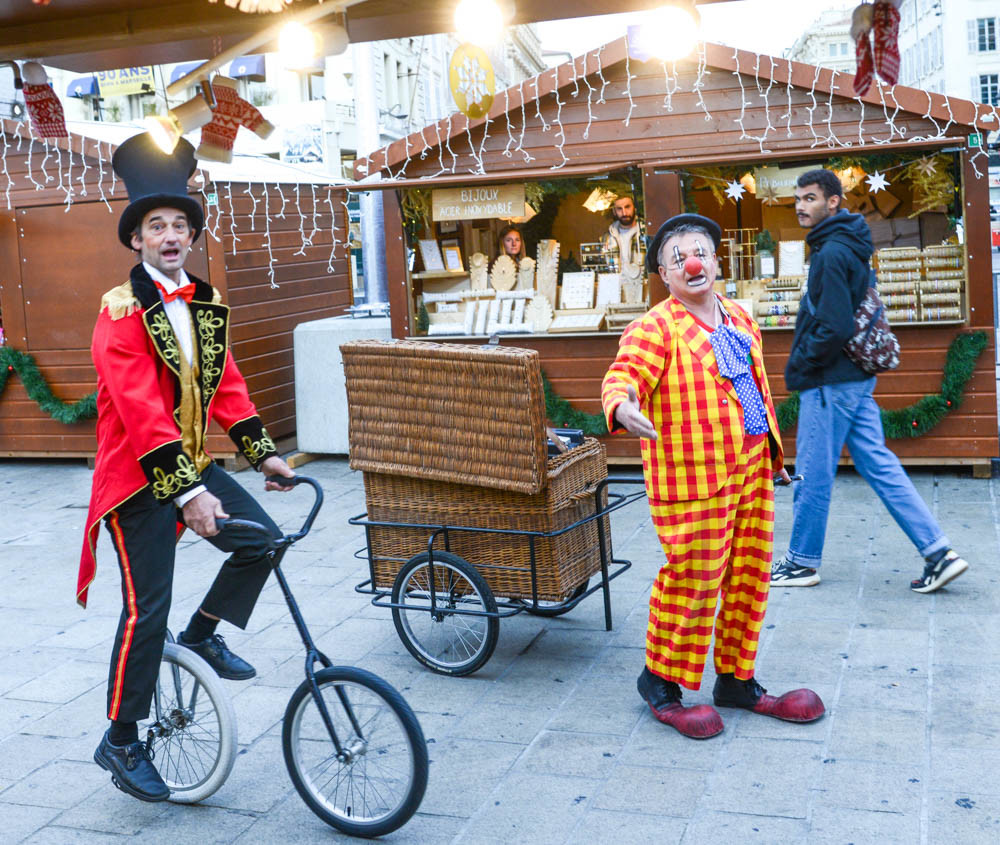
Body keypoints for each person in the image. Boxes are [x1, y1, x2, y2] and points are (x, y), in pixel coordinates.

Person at [77, 132, 296, 802]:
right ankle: (120, 736)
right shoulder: (120, 312)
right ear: (136, 240)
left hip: (192, 464)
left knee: (262, 538)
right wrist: (189, 496)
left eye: (179, 224)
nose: (170, 235)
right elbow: (143, 412)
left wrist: (264, 451)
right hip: (137, 482)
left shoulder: (204, 302)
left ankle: (201, 638)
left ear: (192, 236)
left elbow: (225, 382)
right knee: (148, 608)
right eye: (155, 226)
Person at [602, 213, 824, 739]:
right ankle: (660, 681)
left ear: (717, 260)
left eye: (699, 252)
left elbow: (756, 389)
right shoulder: (655, 327)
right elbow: (623, 372)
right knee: (694, 580)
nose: (692, 263)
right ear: (664, 273)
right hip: (692, 479)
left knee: (748, 577)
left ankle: (735, 679)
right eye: (678, 259)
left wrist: (771, 453)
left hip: (750, 469)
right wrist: (621, 404)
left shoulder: (740, 320)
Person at [771, 169, 968, 594]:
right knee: (879, 464)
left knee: (811, 472)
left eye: (810, 198)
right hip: (855, 379)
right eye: (798, 199)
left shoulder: (830, 254)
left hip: (830, 382)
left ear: (834, 202)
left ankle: (802, 561)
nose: (801, 206)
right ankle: (939, 552)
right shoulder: (851, 246)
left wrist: (802, 364)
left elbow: (835, 326)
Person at [602, 195, 646, 284]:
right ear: (614, 212)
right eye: (619, 209)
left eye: (627, 207)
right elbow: (603, 268)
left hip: (643, 289)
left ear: (635, 208)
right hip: (616, 291)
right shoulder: (607, 237)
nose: (624, 213)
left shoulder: (646, 233)